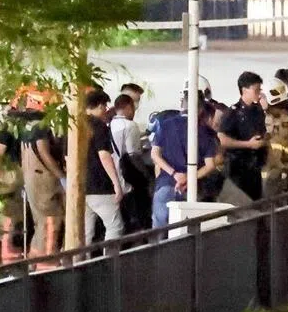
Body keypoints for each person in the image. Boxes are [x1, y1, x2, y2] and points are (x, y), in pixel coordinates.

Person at [150, 98, 220, 228]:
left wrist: (175, 174)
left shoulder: (165, 125)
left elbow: (155, 154)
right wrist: (188, 177)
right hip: (192, 188)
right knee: (187, 231)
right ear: (200, 110)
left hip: (166, 182)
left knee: (159, 231)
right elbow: (210, 165)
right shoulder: (205, 132)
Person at [17, 87, 65, 261]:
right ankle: (48, 261)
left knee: (40, 223)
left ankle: (33, 262)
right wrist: (61, 176)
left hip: (31, 179)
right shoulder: (41, 129)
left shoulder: (26, 129)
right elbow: (44, 153)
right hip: (44, 179)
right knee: (51, 221)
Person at [82, 89, 125, 243]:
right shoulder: (99, 127)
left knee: (85, 232)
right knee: (115, 226)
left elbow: (67, 157)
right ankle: (109, 262)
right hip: (100, 185)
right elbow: (104, 156)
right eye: (105, 106)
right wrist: (116, 183)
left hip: (80, 186)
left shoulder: (74, 126)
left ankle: (80, 263)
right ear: (100, 106)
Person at [218, 71, 269, 200]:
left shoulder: (258, 111)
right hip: (238, 167)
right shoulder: (233, 113)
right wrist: (248, 144)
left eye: (259, 89)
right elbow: (222, 139)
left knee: (257, 201)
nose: (259, 92)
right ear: (244, 90)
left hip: (255, 166)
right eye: (255, 89)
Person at [109, 92, 152, 231]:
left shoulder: (109, 125)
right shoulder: (130, 125)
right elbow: (133, 154)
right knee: (135, 216)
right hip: (126, 178)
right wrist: (146, 174)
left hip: (110, 175)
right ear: (128, 107)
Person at [0, 126, 24, 263]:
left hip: (3, 205)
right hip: (7, 205)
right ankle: (9, 256)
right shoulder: (9, 169)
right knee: (9, 227)